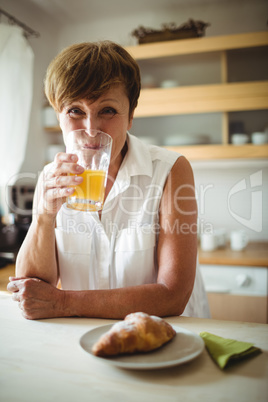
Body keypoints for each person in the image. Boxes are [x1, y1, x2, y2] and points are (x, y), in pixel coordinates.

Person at [7, 40, 210, 320]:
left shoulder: (170, 170)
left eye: (107, 111)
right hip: (85, 342)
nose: (91, 130)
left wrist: (64, 304)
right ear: (59, 116)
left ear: (130, 117)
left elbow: (172, 295)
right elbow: (34, 290)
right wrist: (44, 216)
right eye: (75, 111)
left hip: (168, 341)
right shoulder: (50, 177)